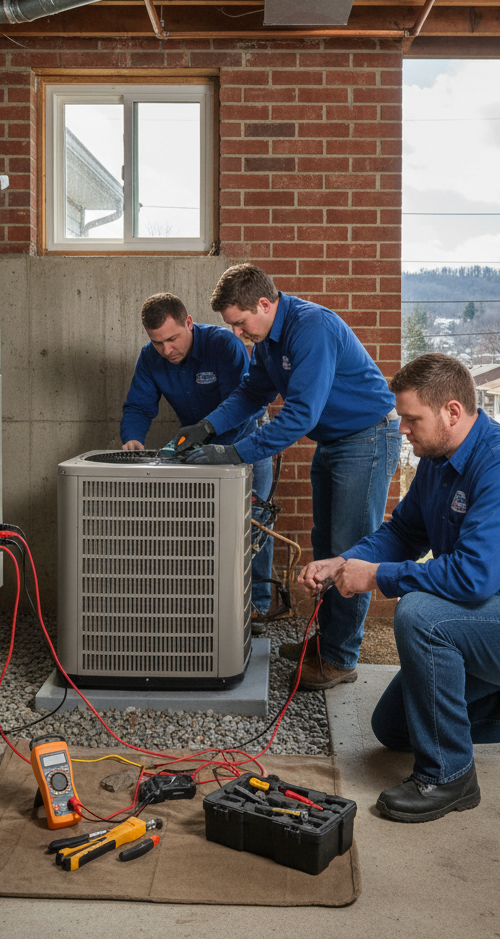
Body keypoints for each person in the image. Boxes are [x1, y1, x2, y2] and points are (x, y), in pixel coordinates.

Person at [300, 353, 500, 823]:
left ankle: (449, 776)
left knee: (420, 614)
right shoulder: (438, 461)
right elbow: (402, 533)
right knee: (394, 727)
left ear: (452, 412)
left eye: (411, 418)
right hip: (489, 618)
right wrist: (347, 560)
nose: (402, 429)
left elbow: (473, 576)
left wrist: (377, 577)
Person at [170, 264, 403, 689]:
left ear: (264, 303)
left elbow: (299, 414)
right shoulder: (269, 339)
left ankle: (339, 658)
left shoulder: (311, 328)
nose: (238, 334)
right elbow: (251, 393)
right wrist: (206, 427)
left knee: (349, 548)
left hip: (367, 439)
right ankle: (327, 643)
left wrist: (232, 452)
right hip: (335, 442)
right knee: (327, 543)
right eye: (232, 326)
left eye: (241, 323)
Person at [120, 292, 274, 612]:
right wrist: (133, 437)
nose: (167, 350)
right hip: (197, 445)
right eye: (158, 342)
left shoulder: (223, 345)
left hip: (246, 440)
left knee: (253, 524)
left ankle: (256, 606)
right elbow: (138, 405)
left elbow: (241, 407)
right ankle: (208, 604)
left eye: (173, 339)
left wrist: (208, 444)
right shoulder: (151, 357)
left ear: (189, 323)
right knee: (203, 523)